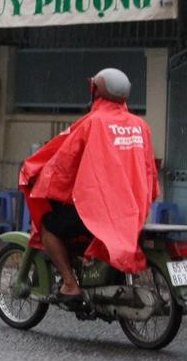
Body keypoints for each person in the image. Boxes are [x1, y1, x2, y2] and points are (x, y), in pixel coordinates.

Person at [20, 68, 159, 303]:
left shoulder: (92, 122)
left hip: (100, 210)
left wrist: (39, 176)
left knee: (49, 228)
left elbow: (63, 162)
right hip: (132, 211)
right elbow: (149, 172)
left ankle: (70, 284)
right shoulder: (140, 126)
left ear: (95, 90)